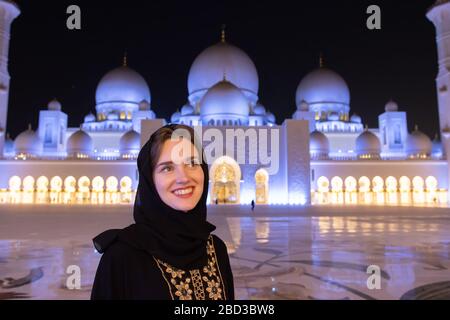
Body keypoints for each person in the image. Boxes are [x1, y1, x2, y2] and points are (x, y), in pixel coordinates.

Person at [91, 124, 234, 300]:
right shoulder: (121, 257)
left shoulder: (216, 250)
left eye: (192, 163)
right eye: (167, 168)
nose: (183, 178)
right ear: (150, 181)